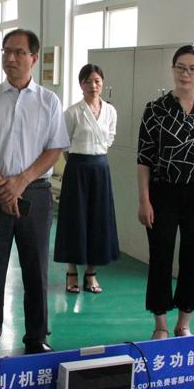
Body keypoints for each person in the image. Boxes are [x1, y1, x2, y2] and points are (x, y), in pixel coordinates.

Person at [0, 29, 69, 361]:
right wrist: (2, 186)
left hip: (34, 194)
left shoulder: (49, 101)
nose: (10, 58)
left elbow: (55, 149)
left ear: (33, 58)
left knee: (35, 267)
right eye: (6, 51)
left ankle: (36, 336)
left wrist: (22, 181)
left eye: (19, 52)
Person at [137, 45, 194, 340]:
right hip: (162, 191)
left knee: (193, 257)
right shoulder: (155, 109)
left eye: (192, 69)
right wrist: (144, 199)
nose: (185, 74)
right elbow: (144, 159)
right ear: (173, 69)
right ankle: (160, 325)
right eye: (180, 67)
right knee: (160, 256)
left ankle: (184, 323)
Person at [54, 64, 120, 294]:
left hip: (100, 168)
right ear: (81, 85)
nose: (93, 86)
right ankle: (71, 271)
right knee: (75, 219)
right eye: (88, 81)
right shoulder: (72, 112)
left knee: (98, 220)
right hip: (77, 168)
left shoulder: (110, 111)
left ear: (103, 83)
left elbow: (109, 139)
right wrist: (76, 162)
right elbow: (64, 144)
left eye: (97, 81)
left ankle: (91, 273)